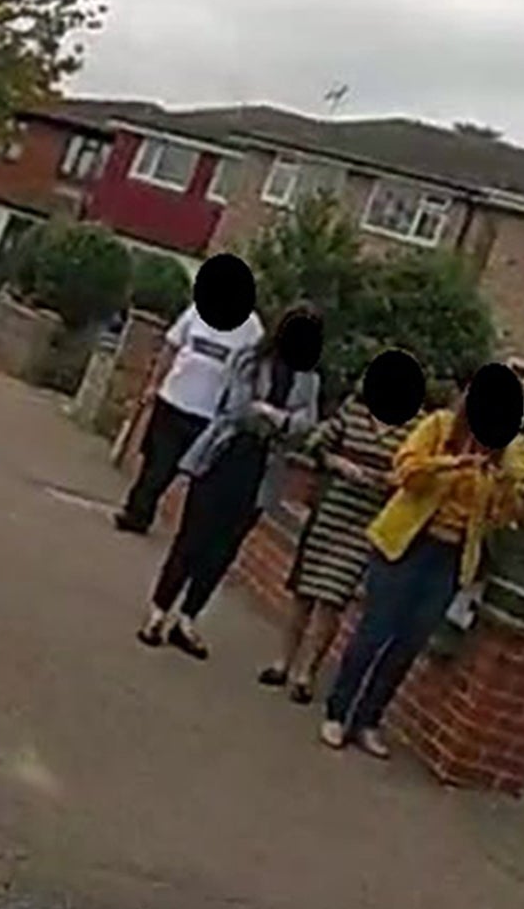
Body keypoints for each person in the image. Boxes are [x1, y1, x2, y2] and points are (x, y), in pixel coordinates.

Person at [318, 384, 524, 757]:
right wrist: (452, 463)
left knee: (409, 643)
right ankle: (337, 712)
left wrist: (508, 486)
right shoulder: (439, 427)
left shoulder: (502, 454)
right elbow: (406, 470)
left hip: (450, 558)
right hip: (405, 545)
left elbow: (504, 516)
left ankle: (369, 721)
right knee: (374, 632)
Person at [136, 305, 322, 659]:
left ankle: (187, 619)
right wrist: (280, 421)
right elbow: (237, 409)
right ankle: (159, 610)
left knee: (223, 551)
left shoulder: (309, 380)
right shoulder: (249, 361)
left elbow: (307, 426)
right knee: (191, 539)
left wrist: (272, 416)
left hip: (261, 473)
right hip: (225, 457)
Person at [259, 385, 416, 703]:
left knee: (332, 598)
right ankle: (283, 662)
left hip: (366, 524)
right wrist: (336, 462)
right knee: (304, 592)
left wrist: (391, 481)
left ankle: (307, 674)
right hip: (330, 512)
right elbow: (315, 443)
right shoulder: (353, 412)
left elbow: (414, 472)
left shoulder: (413, 429)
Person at [116, 295, 263, 534]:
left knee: (181, 471)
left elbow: (252, 370)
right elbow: (171, 347)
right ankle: (136, 513)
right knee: (157, 464)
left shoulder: (252, 328)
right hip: (173, 399)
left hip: (208, 414)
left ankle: (155, 515)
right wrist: (155, 383)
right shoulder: (197, 311)